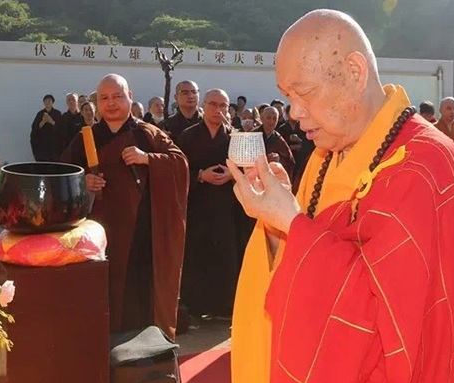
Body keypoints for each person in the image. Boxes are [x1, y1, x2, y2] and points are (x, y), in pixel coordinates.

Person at [230, 10, 454, 383]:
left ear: (354, 71)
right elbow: (299, 264)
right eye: (288, 97)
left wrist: (293, 224)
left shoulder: (424, 163)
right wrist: (275, 222)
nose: (294, 112)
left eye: (305, 93)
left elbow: (390, 323)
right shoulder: (325, 155)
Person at [61, 74, 188, 335]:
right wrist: (83, 181)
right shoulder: (87, 137)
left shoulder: (147, 133)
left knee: (138, 289)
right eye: (104, 98)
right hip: (98, 229)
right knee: (103, 284)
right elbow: (63, 174)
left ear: (130, 97)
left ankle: (144, 343)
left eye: (117, 96)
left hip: (141, 227)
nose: (111, 103)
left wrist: (148, 158)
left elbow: (180, 163)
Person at [178, 89, 246, 318]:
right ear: (203, 106)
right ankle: (196, 305)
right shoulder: (188, 136)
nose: (218, 110)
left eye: (223, 105)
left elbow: (249, 169)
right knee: (197, 253)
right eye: (213, 104)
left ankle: (224, 305)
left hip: (226, 206)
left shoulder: (236, 138)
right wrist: (200, 175)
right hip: (197, 205)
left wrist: (232, 174)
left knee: (226, 253)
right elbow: (178, 169)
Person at [260, 106, 295, 180]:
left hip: (273, 178)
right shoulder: (253, 135)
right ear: (262, 118)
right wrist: (266, 159)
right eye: (268, 118)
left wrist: (279, 160)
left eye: (274, 118)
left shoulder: (278, 138)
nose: (271, 121)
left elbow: (290, 161)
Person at [29, 94, 63, 162]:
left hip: (54, 147)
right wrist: (43, 121)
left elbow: (61, 129)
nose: (47, 102)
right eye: (45, 101)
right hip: (42, 147)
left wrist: (51, 121)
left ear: (52, 102)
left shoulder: (57, 113)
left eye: (49, 101)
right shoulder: (40, 114)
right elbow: (34, 129)